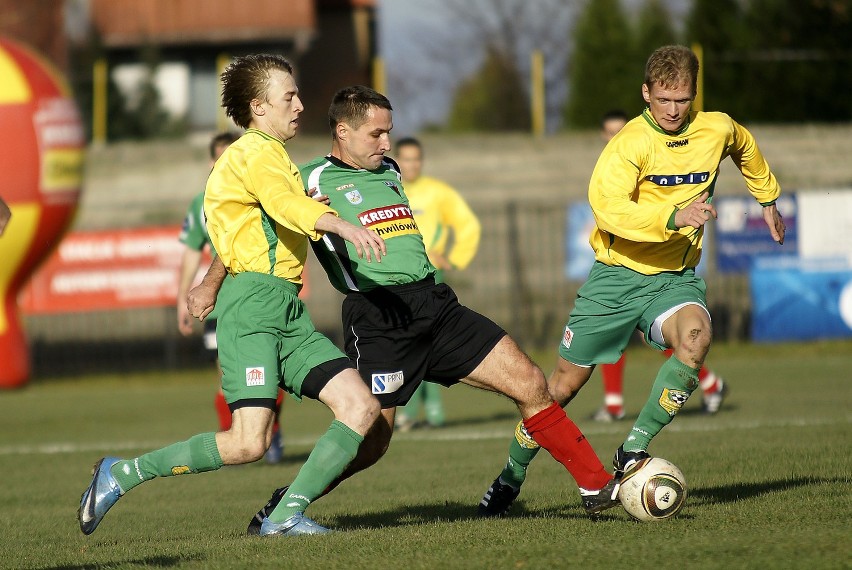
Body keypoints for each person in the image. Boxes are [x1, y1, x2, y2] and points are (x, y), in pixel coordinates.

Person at [189, 85, 619, 532]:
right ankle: (284, 505)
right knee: (371, 441)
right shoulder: (308, 180)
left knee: (531, 382)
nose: (387, 144)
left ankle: (596, 486)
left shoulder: (390, 169)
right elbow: (258, 227)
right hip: (378, 320)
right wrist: (210, 284)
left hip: (436, 305)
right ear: (343, 131)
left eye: (389, 133)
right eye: (376, 134)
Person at [78, 54, 387, 538]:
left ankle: (284, 516)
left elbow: (252, 224)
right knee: (248, 443)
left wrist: (210, 280)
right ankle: (122, 473)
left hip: (286, 308)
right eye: (290, 97)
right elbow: (283, 207)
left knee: (361, 407)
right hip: (254, 309)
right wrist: (338, 223)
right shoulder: (253, 154)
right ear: (259, 107)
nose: (301, 105)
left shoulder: (269, 157)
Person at [477, 45, 785, 517]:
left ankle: (631, 449)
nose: (673, 110)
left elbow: (743, 145)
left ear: (693, 95)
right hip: (616, 278)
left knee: (697, 337)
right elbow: (609, 209)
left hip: (674, 279)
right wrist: (675, 213)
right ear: (646, 93)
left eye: (682, 100)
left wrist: (767, 199)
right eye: (663, 100)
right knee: (556, 390)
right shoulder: (629, 143)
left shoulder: (716, 127)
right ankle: (511, 475)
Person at [591, 110, 727, 422]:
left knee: (625, 327)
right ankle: (710, 383)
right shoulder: (611, 168)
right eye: (609, 132)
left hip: (655, 260)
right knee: (631, 330)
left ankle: (615, 405)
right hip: (623, 257)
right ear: (602, 136)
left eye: (619, 131)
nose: (615, 138)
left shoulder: (648, 158)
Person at [176, 131, 285, 462]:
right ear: (212, 161)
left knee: (269, 370)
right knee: (227, 375)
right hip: (219, 304)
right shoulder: (202, 203)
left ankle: (270, 435)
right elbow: (192, 252)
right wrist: (182, 298)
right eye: (222, 157)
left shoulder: (259, 192)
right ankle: (236, 439)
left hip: (259, 297)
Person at [392, 136, 482, 431]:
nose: (411, 164)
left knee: (423, 343)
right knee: (405, 345)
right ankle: (412, 411)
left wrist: (454, 259)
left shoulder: (437, 192)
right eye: (406, 158)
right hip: (395, 278)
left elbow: (468, 224)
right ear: (396, 159)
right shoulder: (387, 189)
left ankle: (430, 412)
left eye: (416, 159)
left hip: (429, 276)